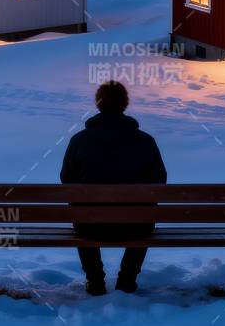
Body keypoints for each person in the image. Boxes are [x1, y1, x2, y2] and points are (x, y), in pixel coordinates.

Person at [60, 80, 167, 295]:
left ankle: (95, 280)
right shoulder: (145, 141)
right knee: (143, 219)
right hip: (135, 226)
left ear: (98, 104)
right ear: (124, 104)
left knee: (82, 216)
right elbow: (159, 180)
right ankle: (127, 279)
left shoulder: (79, 141)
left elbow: (66, 179)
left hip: (90, 226)